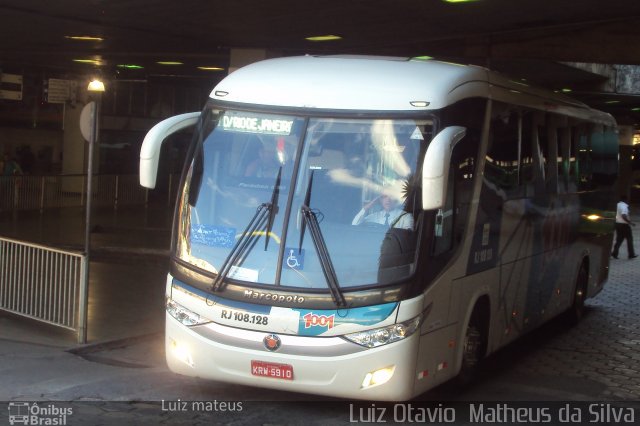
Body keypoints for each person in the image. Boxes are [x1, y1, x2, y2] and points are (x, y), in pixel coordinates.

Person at [612, 194, 637, 259]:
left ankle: (614, 253)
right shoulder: (624, 206)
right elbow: (624, 215)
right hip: (624, 225)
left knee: (619, 240)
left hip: (617, 224)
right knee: (629, 239)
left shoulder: (617, 205)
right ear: (625, 200)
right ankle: (631, 254)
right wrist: (630, 222)